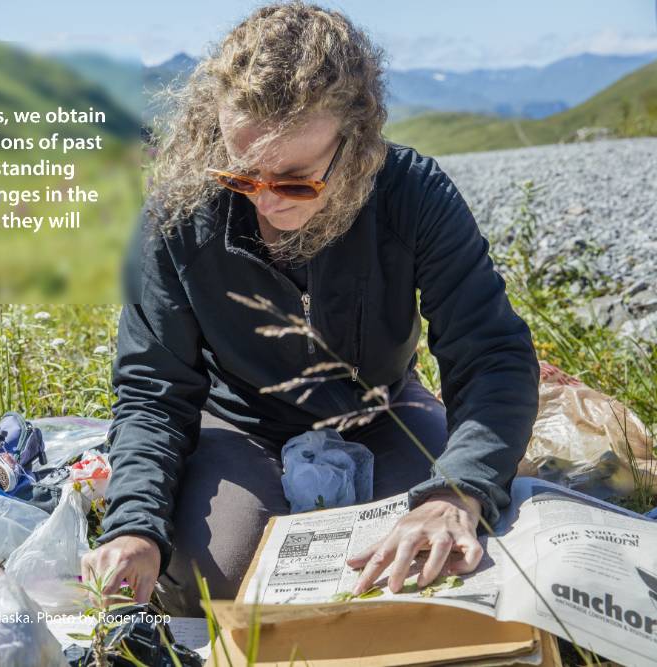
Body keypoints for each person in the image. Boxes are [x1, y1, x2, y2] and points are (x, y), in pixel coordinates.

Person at [80, 1, 539, 617]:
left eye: (296, 182)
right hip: (238, 423)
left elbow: (491, 355)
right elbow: (153, 389)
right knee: (213, 588)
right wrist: (134, 523)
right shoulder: (177, 215)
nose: (268, 205)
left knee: (454, 556)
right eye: (243, 176)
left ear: (355, 144)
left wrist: (457, 492)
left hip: (382, 410)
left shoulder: (412, 194)